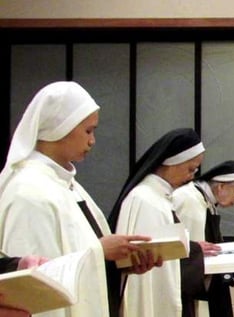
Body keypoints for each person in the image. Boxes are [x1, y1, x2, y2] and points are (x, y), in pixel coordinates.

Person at [0, 81, 158, 317]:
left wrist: (118, 264)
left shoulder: (67, 185)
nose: (92, 141)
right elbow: (32, 285)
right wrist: (100, 251)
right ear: (59, 127)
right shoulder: (28, 192)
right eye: (88, 131)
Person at [108, 128, 219, 317]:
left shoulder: (159, 197)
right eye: (190, 169)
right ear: (172, 163)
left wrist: (192, 248)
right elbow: (146, 269)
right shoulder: (145, 200)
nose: (192, 176)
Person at [173, 160, 234, 317]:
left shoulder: (206, 202)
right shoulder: (189, 199)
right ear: (221, 186)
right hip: (188, 290)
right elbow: (188, 256)